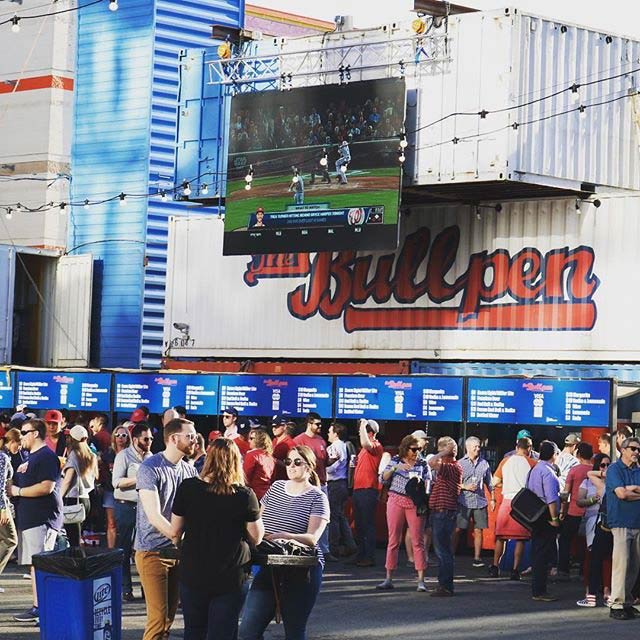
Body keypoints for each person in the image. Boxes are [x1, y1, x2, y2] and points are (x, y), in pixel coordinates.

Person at [171, 438, 264, 640]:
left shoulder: (188, 488)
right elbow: (256, 537)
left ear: (208, 459)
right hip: (231, 574)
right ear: (235, 462)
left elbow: (175, 531)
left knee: (193, 631)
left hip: (194, 571)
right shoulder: (244, 495)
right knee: (222, 632)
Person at [239, 445, 330, 640]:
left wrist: (287, 535)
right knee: (248, 631)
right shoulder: (276, 487)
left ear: (309, 466)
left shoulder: (318, 497)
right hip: (270, 566)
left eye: (297, 462)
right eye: (288, 462)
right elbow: (257, 519)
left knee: (294, 631)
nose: (291, 466)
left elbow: (313, 538)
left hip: (302, 570)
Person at [135, 418, 198, 640]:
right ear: (173, 438)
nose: (195, 440)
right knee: (158, 618)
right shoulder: (150, 467)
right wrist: (175, 535)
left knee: (169, 618)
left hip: (178, 552)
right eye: (189, 436)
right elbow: (153, 515)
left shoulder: (190, 471)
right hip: (152, 551)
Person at [10, 419, 63, 624]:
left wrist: (18, 491)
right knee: (35, 565)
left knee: (42, 565)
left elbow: (47, 487)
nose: (21, 436)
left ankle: (46, 609)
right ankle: (38, 607)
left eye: (24, 432)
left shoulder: (46, 456)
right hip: (31, 518)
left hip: (42, 519)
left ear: (35, 434)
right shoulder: (32, 457)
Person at [377, 435, 431, 592]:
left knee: (418, 541)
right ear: (406, 448)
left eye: (418, 449)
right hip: (396, 499)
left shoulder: (422, 463)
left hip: (415, 502)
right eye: (413, 449)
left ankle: (421, 580)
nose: (416, 452)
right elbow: (382, 479)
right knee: (393, 540)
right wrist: (395, 468)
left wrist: (423, 486)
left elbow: (429, 481)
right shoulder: (396, 460)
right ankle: (388, 578)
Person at [112, 422, 153, 602]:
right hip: (126, 506)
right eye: (146, 438)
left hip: (145, 507)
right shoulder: (124, 456)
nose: (149, 441)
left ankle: (146, 589)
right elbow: (116, 482)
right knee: (125, 549)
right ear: (136, 439)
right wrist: (138, 479)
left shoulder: (151, 457)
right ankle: (125, 589)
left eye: (151, 438)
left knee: (144, 549)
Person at [489, 437, 536, 579]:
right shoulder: (532, 463)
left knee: (501, 537)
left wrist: (506, 485)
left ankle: (495, 567)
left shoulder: (505, 461)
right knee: (521, 538)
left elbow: (494, 481)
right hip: (523, 502)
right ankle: (515, 570)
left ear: (517, 447)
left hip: (507, 501)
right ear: (529, 448)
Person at [605, 435, 640, 620]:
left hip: (638, 522)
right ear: (623, 450)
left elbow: (627, 492)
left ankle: (627, 602)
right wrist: (630, 490)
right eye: (633, 448)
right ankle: (617, 604)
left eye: (638, 449)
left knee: (634, 565)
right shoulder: (614, 469)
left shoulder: (638, 470)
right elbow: (621, 494)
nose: (636, 452)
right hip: (620, 522)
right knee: (622, 563)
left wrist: (632, 489)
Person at [527, 440, 562, 602]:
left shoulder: (535, 469)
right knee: (544, 554)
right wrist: (555, 519)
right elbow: (551, 500)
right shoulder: (548, 472)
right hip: (545, 516)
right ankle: (540, 590)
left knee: (537, 552)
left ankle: (537, 587)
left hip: (534, 514)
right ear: (554, 455)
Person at [576, 453, 612, 607]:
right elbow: (579, 501)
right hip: (594, 520)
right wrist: (592, 500)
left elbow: (591, 473)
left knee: (605, 559)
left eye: (608, 465)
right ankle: (594, 592)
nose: (605, 468)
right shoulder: (592, 483)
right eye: (603, 465)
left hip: (605, 523)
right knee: (593, 557)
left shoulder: (607, 485)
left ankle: (605, 592)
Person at [428, 436, 462, 597]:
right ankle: (444, 584)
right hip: (442, 511)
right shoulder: (450, 466)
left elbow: (431, 462)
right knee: (443, 550)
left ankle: (446, 586)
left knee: (443, 551)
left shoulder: (452, 467)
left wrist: (443, 452)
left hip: (444, 512)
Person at [454, 436, 495, 568]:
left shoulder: (484, 464)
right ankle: (450, 554)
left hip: (480, 501)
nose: (478, 449)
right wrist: (465, 487)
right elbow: (453, 483)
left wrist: (493, 498)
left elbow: (490, 482)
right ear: (468, 448)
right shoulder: (460, 464)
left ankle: (477, 558)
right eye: (475, 446)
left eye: (479, 446)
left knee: (479, 529)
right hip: (463, 501)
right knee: (458, 529)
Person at [294, 412, 330, 558]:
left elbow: (325, 461)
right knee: (302, 517)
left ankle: (324, 550)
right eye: (317, 424)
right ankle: (301, 547)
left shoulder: (321, 440)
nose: (320, 426)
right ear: (309, 423)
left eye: (321, 424)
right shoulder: (299, 440)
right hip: (305, 484)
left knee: (323, 519)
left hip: (321, 483)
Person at [557, 441, 594, 579]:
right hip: (591, 511)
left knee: (565, 539)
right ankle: (584, 570)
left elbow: (566, 493)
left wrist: (562, 510)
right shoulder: (595, 470)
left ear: (578, 454)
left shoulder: (574, 470)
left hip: (574, 510)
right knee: (587, 541)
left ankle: (563, 570)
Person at [60, 425, 98, 547]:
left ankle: (76, 564)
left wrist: (59, 497)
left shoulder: (74, 455)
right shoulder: (92, 455)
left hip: (73, 500)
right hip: (86, 500)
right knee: (78, 536)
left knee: (73, 541)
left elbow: (68, 480)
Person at [351, 418, 383, 567]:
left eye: (362, 430)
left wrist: (363, 425)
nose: (359, 433)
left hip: (368, 489)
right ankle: (360, 555)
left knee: (367, 524)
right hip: (359, 489)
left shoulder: (376, 445)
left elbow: (365, 442)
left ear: (369, 432)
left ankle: (369, 556)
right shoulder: (365, 449)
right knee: (359, 525)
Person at [326, 422, 357, 558]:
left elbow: (333, 466)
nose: (328, 434)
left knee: (333, 517)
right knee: (340, 515)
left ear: (336, 433)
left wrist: (324, 470)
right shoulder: (345, 446)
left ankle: (333, 547)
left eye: (330, 431)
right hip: (344, 483)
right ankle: (350, 544)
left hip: (334, 483)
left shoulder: (334, 447)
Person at [99, 424, 131, 549]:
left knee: (126, 524)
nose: (120, 438)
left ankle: (127, 550)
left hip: (127, 491)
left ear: (128, 438)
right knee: (111, 523)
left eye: (123, 435)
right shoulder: (108, 454)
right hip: (110, 491)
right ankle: (111, 551)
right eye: (117, 435)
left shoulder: (131, 454)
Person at [0, 441, 17, 593]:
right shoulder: (3, 457)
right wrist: (3, 508)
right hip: (2, 505)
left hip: (4, 504)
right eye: (17, 443)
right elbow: (0, 485)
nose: (19, 446)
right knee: (11, 540)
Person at [243, 428, 275, 501]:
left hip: (254, 495)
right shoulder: (270, 457)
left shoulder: (252, 455)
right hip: (268, 495)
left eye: (251, 438)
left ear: (258, 440)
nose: (249, 441)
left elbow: (245, 476)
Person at [271, 416, 295, 481]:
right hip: (272, 479)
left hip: (283, 480)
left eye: (276, 426)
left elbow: (292, 465)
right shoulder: (274, 441)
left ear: (284, 427)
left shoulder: (290, 444)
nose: (274, 429)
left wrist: (274, 460)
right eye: (273, 426)